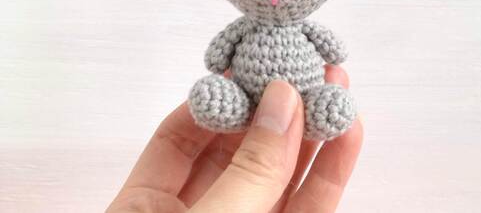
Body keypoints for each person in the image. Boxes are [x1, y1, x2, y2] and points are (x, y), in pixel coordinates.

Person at [107, 66, 362, 213]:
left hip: (302, 98)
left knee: (329, 108)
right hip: (245, 99)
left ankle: (325, 106)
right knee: (213, 99)